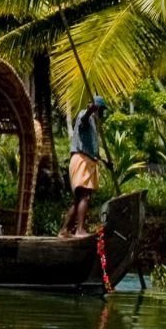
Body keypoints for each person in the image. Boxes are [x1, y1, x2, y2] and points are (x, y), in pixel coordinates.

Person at [60, 95, 105, 238]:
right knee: (85, 196)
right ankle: (79, 230)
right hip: (82, 160)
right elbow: (83, 121)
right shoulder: (85, 115)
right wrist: (90, 111)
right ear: (96, 108)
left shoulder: (94, 125)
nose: (102, 114)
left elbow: (93, 150)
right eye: (101, 110)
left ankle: (64, 230)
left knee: (79, 198)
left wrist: (104, 161)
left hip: (86, 160)